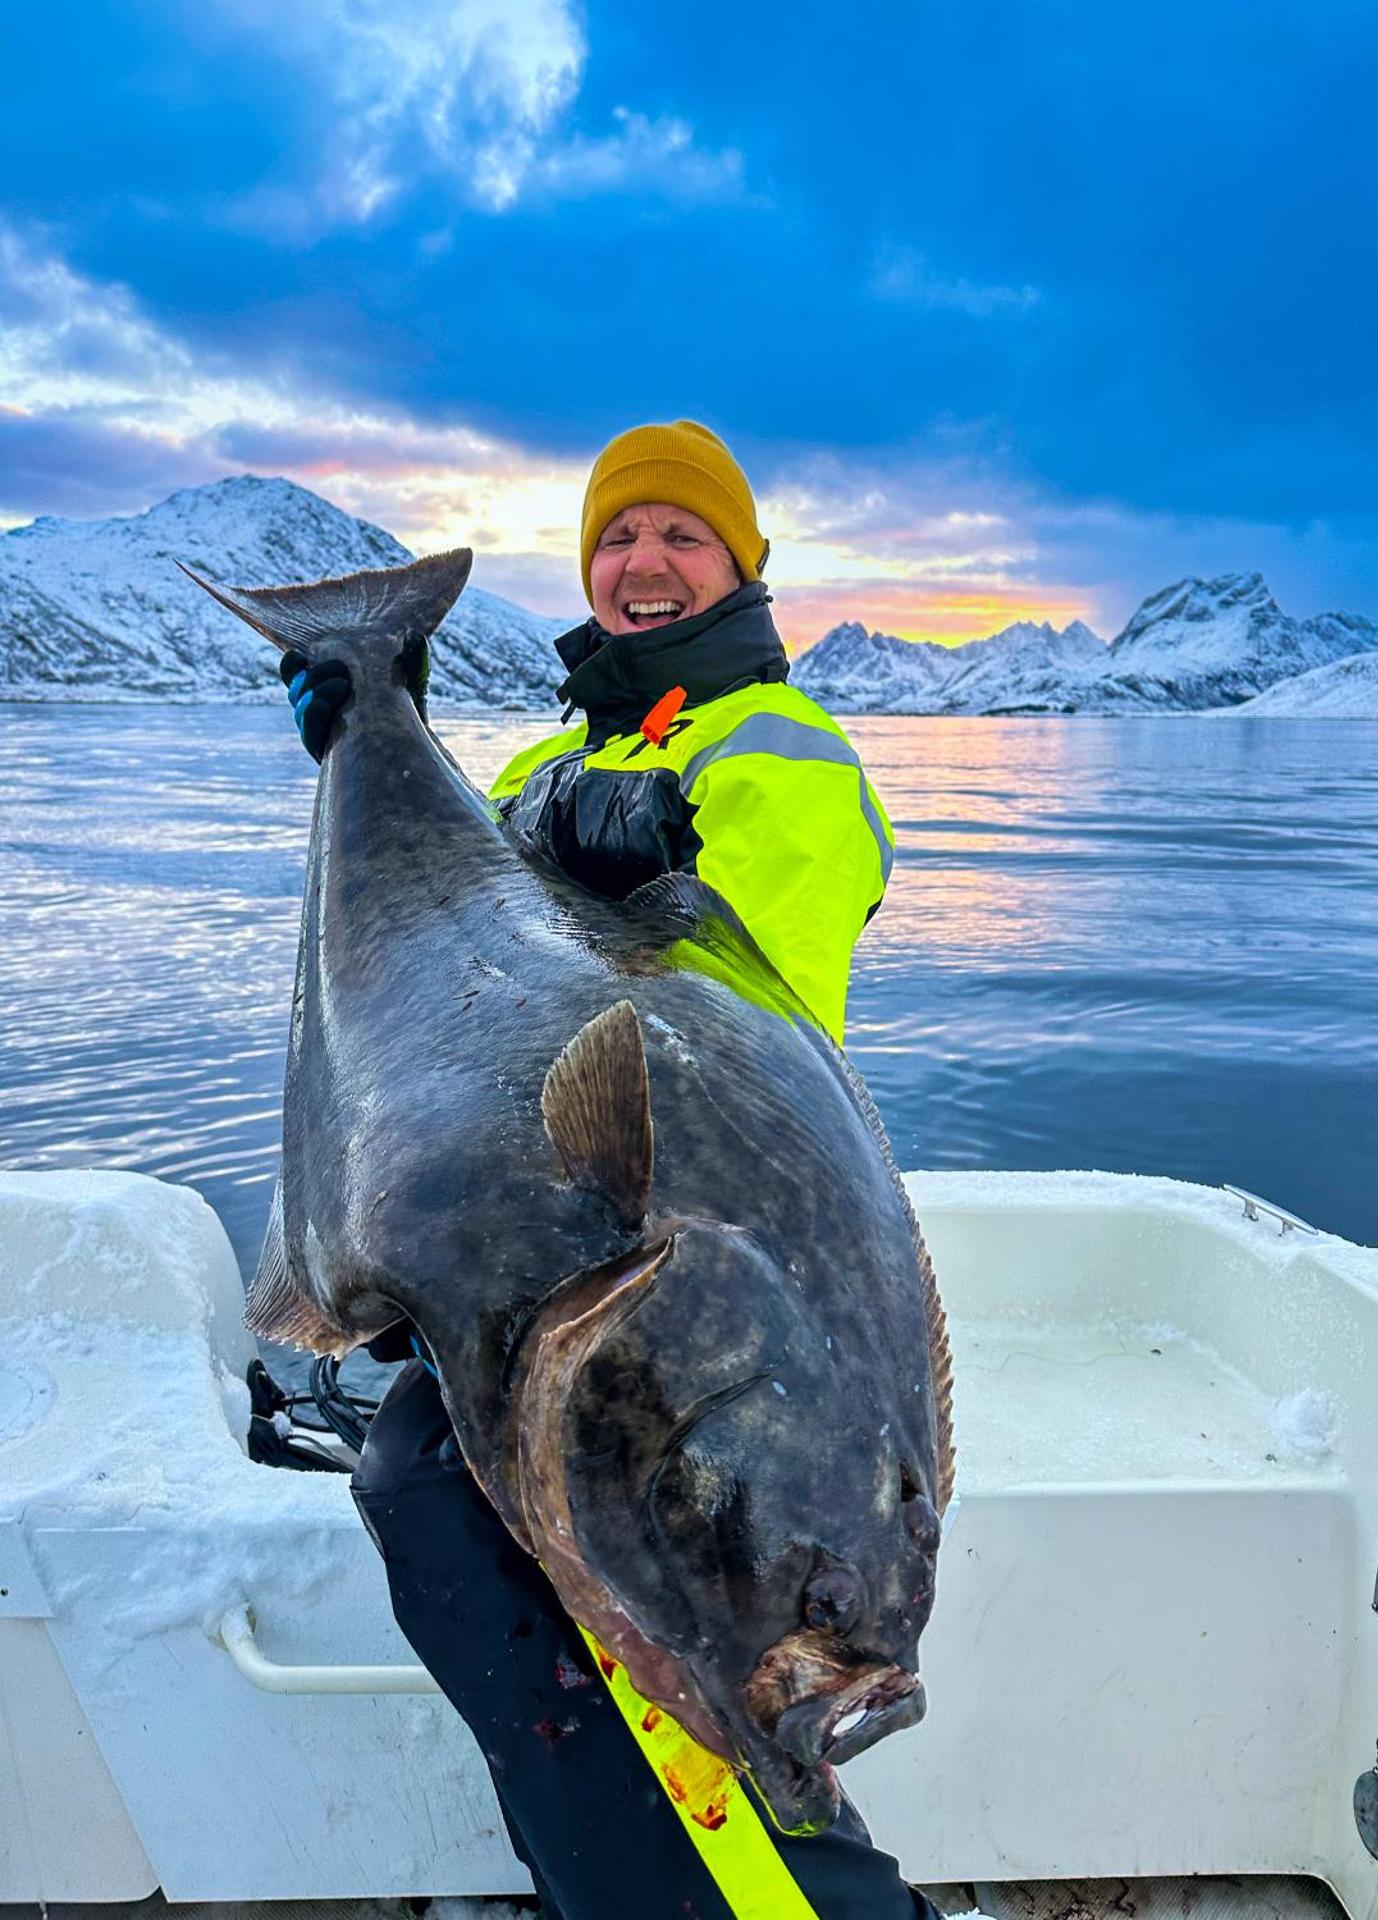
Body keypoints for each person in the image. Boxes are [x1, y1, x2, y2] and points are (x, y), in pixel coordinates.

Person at [282, 420, 938, 1920]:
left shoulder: (784, 754)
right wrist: (368, 736)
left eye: (680, 536)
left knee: (676, 1602)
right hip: (544, 1247)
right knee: (428, 1486)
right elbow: (432, 972)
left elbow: (731, 994)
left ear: (740, 568)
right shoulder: (545, 760)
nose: (642, 563)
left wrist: (651, 862)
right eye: (616, 537)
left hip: (695, 1255)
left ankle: (802, 1900)